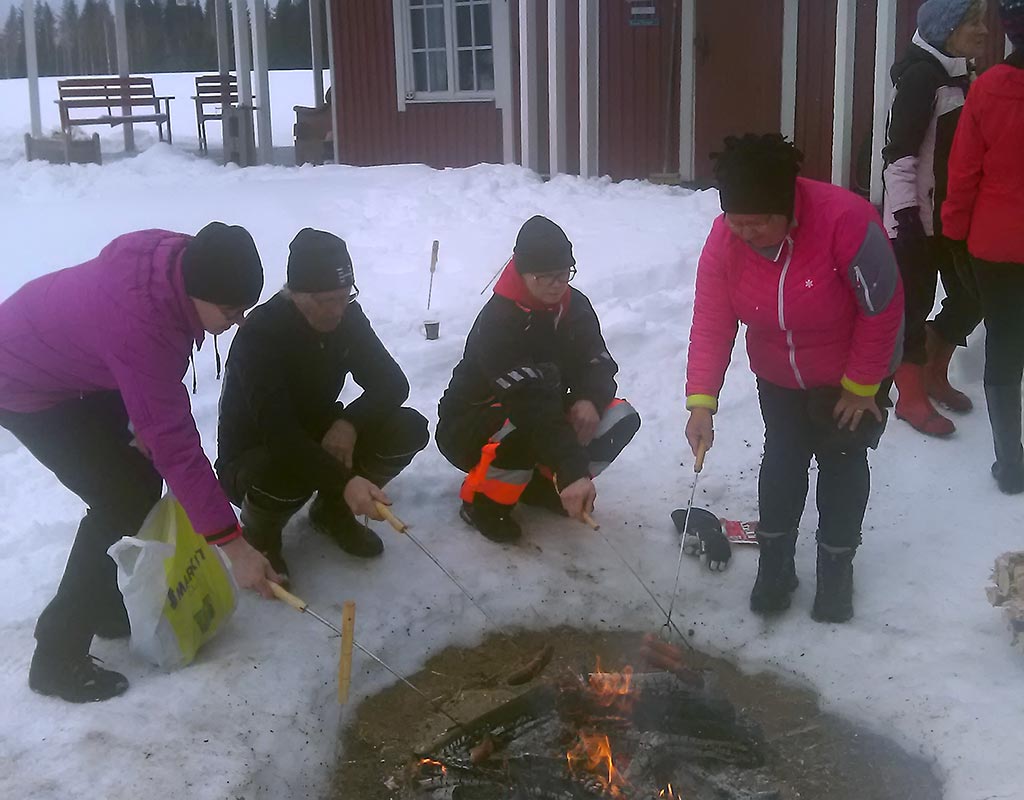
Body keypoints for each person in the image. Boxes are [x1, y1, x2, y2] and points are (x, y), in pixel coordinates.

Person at [0, 223, 280, 703]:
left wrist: (139, 423)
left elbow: (146, 392)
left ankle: (106, 601)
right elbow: (177, 445)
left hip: (79, 360)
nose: (234, 323)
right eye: (230, 312)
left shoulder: (175, 264)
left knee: (139, 480)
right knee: (121, 494)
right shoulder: (143, 325)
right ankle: (57, 655)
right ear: (198, 293)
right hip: (21, 379)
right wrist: (235, 548)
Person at [684, 134, 904, 623]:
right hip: (779, 372)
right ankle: (776, 566)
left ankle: (836, 570)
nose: (745, 232)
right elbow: (712, 319)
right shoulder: (727, 236)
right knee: (782, 457)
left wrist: (862, 385)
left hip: (849, 373)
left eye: (758, 222)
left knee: (842, 462)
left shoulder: (845, 221)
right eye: (736, 222)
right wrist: (702, 401)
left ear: (787, 207)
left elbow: (882, 308)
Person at [216, 229, 429, 578]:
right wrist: (344, 479)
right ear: (295, 295)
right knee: (287, 469)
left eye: (345, 297)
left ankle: (332, 512)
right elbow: (279, 432)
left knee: (408, 427)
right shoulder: (261, 334)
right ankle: (261, 535)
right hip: (255, 455)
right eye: (325, 301)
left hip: (317, 433)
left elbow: (393, 384)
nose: (337, 311)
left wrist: (349, 424)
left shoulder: (347, 317)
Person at [436, 216, 640, 543]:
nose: (557, 284)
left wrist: (588, 398)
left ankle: (542, 485)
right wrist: (572, 468)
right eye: (545, 277)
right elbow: (527, 401)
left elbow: (599, 361)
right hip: (471, 423)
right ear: (521, 272)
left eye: (564, 274)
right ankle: (482, 502)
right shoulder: (498, 320)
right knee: (521, 428)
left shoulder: (575, 305)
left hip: (540, 407)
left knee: (619, 417)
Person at [882, 0, 988, 436]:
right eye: (972, 22)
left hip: (955, 215)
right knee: (914, 304)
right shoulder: (922, 78)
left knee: (973, 293)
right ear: (947, 29)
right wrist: (905, 216)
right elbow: (898, 155)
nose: (983, 30)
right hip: (917, 217)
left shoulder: (961, 74)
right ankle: (908, 395)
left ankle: (934, 365)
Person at [942, 0, 1024, 493]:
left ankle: (1010, 462)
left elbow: (964, 170)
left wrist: (953, 233)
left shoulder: (990, 88)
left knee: (1006, 343)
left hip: (995, 245)